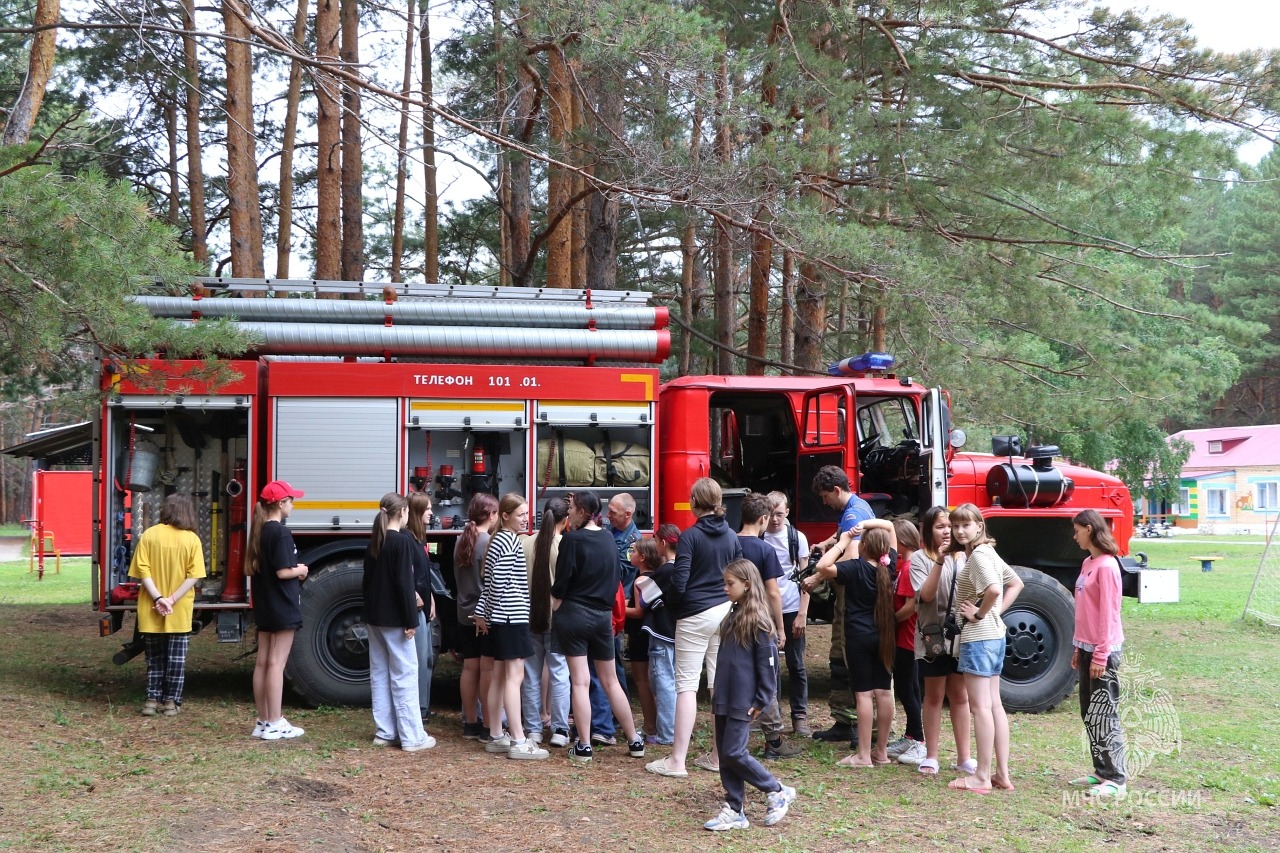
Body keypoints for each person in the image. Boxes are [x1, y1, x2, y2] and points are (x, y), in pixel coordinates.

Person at [646, 477, 741, 777]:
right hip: (725, 612)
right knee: (718, 684)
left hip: (695, 614)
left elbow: (680, 580)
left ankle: (677, 760)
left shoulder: (690, 536)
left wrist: (673, 607)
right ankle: (717, 756)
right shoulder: (731, 536)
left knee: (686, 685)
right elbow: (739, 573)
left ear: (694, 503)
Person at [702, 558, 798, 832]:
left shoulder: (758, 620)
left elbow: (768, 665)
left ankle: (776, 790)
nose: (725, 588)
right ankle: (734, 808)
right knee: (726, 752)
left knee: (734, 751)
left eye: (729, 583)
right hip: (725, 696)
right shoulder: (734, 613)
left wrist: (761, 698)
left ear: (747, 584)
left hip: (743, 699)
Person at [550, 490, 644, 763]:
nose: (568, 513)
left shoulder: (571, 540)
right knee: (611, 680)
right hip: (603, 617)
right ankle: (634, 740)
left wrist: (555, 600)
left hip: (574, 614)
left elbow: (563, 581)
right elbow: (616, 577)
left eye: (571, 508)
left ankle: (583, 744)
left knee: (579, 681)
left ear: (581, 511)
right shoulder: (608, 538)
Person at [806, 519, 897, 767]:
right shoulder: (889, 567)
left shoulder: (855, 568)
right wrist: (866, 525)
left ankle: (863, 755)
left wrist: (845, 539)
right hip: (885, 636)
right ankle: (882, 752)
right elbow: (889, 526)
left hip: (858, 637)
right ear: (887, 549)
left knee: (864, 695)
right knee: (884, 692)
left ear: (864, 546)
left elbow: (824, 566)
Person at [947, 503, 1015, 793]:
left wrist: (980, 614)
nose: (960, 530)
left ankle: (982, 776)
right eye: (956, 525)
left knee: (981, 708)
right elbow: (1017, 584)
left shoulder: (978, 556)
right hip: (995, 636)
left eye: (966, 524)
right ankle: (1001, 773)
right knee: (994, 705)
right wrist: (995, 614)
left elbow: (996, 590)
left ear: (979, 526)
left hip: (979, 638)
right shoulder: (989, 552)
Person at [474, 493, 548, 759]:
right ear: (505, 516)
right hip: (511, 617)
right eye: (521, 514)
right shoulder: (509, 541)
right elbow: (499, 583)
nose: (525, 518)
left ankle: (496, 734)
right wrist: (490, 612)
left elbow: (490, 584)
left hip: (501, 617)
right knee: (514, 678)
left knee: (499, 676)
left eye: (527, 514)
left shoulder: (498, 540)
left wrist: (483, 613)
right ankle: (518, 739)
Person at [363, 492, 434, 752]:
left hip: (375, 618)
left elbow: (367, 582)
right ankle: (412, 736)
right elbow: (405, 585)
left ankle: (385, 731)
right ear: (402, 513)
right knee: (405, 674)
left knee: (380, 673)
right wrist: (410, 621)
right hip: (396, 619)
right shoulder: (401, 543)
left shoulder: (376, 541)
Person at [810, 465, 874, 744]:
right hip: (851, 595)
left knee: (847, 655)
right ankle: (844, 721)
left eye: (826, 496)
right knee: (839, 654)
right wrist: (827, 542)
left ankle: (865, 729)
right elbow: (844, 535)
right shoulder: (855, 509)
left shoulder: (854, 512)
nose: (825, 502)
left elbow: (850, 558)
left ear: (837, 490)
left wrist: (817, 576)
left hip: (853, 597)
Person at [737, 492, 803, 760]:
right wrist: (781, 628)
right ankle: (773, 741)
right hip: (760, 620)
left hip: (734, 619)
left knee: (739, 676)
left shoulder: (729, 542)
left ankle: (737, 734)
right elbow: (773, 592)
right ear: (763, 518)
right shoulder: (764, 549)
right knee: (767, 678)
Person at [128, 494, 206, 718]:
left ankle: (151, 701)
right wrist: (171, 600)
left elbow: (142, 571)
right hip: (178, 610)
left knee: (154, 658)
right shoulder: (191, 539)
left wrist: (158, 598)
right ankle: (171, 703)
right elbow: (195, 576)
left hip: (151, 608)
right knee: (176, 660)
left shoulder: (150, 535)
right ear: (187, 512)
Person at [1069, 509, 1128, 798]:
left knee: (1105, 713)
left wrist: (1102, 654)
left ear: (1090, 529)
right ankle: (1101, 771)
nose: (1074, 535)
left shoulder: (1107, 566)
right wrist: (1079, 646)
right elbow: (1085, 611)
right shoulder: (1087, 563)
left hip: (1104, 650)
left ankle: (1117, 778)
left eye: (1077, 529)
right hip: (1087, 647)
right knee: (1089, 713)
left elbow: (1108, 614)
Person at [246, 480, 309, 740]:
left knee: (263, 662)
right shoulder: (281, 533)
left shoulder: (259, 531)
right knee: (276, 663)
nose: (293, 505)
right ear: (281, 504)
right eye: (291, 500)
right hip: (282, 605)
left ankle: (263, 720)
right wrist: (301, 570)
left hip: (265, 605)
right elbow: (283, 571)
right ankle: (275, 721)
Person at [912, 506, 971, 776]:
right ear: (928, 530)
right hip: (933, 636)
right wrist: (939, 560)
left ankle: (964, 757)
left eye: (950, 525)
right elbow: (925, 596)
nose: (948, 531)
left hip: (960, 634)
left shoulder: (966, 557)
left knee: (960, 696)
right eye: (940, 526)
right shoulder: (919, 559)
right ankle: (932, 755)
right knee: (934, 696)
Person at [521, 497, 571, 747]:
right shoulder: (565, 545)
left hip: (528, 617)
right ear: (566, 519)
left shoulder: (524, 543)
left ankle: (533, 730)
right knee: (560, 673)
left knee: (529, 675)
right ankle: (560, 729)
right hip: (557, 619)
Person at [764, 491, 810, 736]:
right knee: (768, 663)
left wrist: (803, 612)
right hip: (766, 608)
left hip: (792, 606)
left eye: (779, 514)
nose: (775, 520)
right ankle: (772, 715)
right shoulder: (760, 536)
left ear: (787, 513)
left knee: (796, 663)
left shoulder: (797, 538)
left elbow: (806, 579)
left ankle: (799, 715)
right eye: (771, 514)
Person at [454, 493, 498, 740]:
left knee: (469, 666)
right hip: (485, 615)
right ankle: (488, 726)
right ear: (491, 514)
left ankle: (470, 723)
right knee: (487, 668)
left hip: (464, 612)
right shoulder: (487, 542)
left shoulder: (461, 539)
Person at [886, 518, 926, 765]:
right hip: (909, 638)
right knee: (910, 688)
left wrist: (890, 620)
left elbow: (911, 606)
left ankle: (918, 740)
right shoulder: (910, 566)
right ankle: (912, 735)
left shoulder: (910, 568)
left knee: (906, 689)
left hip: (907, 638)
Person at [640, 524, 681, 745]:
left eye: (656, 541)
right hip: (678, 632)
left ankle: (667, 733)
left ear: (663, 543)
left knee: (663, 681)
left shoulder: (665, 571)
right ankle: (677, 729)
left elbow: (645, 598)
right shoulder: (685, 568)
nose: (655, 546)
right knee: (675, 680)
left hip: (662, 632)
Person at [406, 492, 438, 723]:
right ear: (416, 513)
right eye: (427, 509)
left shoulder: (420, 539)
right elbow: (404, 574)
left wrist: (432, 599)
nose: (431, 512)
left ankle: (423, 706)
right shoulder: (407, 540)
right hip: (415, 610)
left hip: (424, 608)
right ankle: (417, 709)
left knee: (427, 658)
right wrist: (415, 595)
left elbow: (424, 574)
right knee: (418, 658)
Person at [624, 536, 658, 740]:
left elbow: (639, 611)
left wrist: (618, 608)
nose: (631, 554)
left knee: (641, 680)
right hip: (651, 633)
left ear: (643, 557)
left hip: (639, 633)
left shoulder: (640, 580)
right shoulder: (655, 576)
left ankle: (649, 725)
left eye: (634, 551)